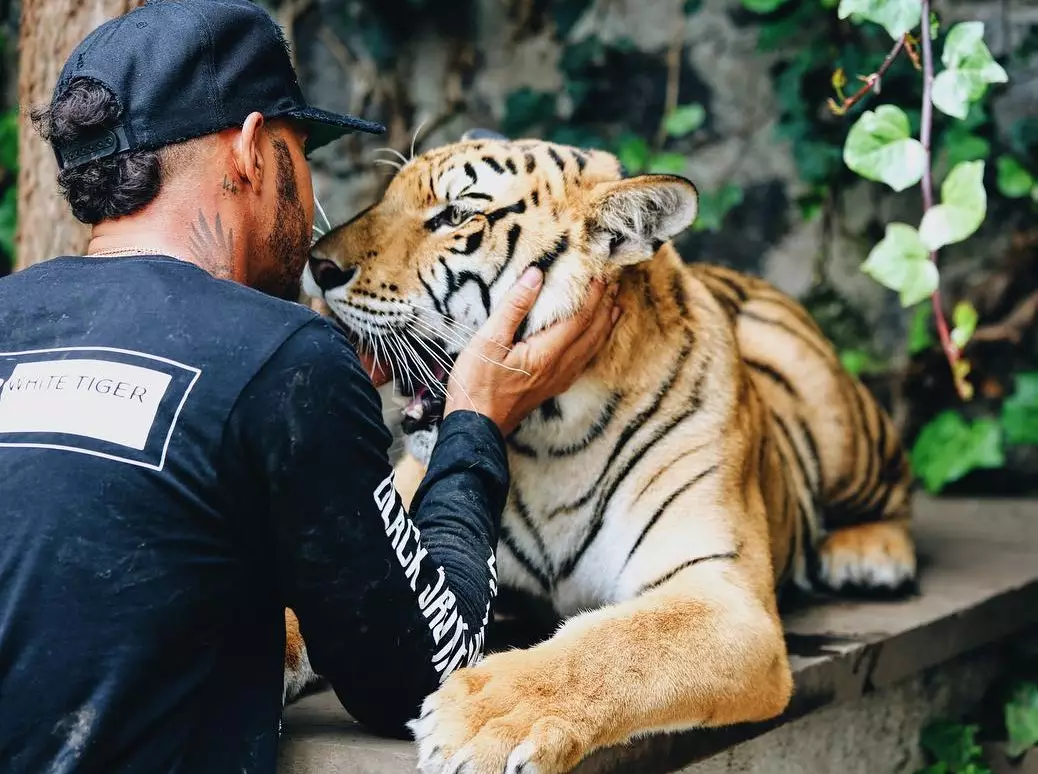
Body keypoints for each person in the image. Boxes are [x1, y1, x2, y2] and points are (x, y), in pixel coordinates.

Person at [0, 1, 620, 772]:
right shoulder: (283, 357)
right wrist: (474, 422)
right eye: (302, 149)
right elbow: (427, 676)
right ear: (254, 151)